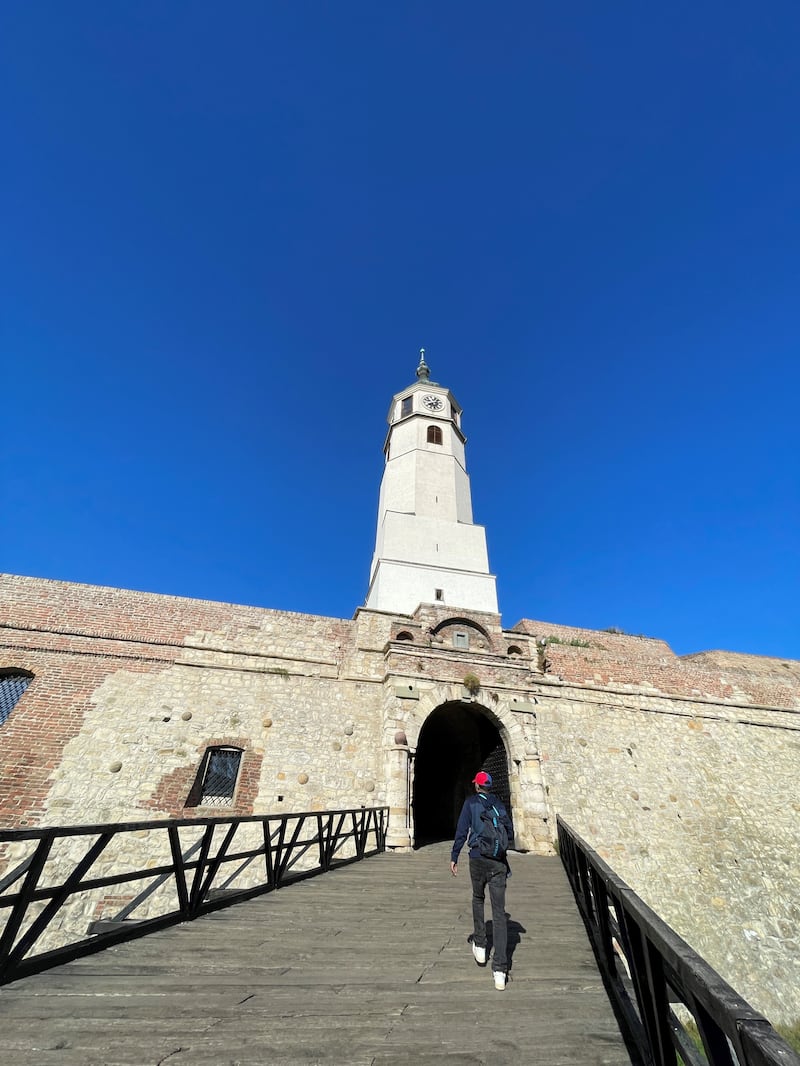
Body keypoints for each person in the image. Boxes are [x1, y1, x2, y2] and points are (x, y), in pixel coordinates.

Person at [450, 770, 513, 990]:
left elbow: (461, 830)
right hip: (498, 862)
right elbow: (510, 833)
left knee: (478, 898)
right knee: (499, 914)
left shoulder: (471, 803)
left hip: (477, 858)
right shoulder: (499, 804)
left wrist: (454, 855)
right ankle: (500, 970)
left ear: (477, 786)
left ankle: (480, 945)